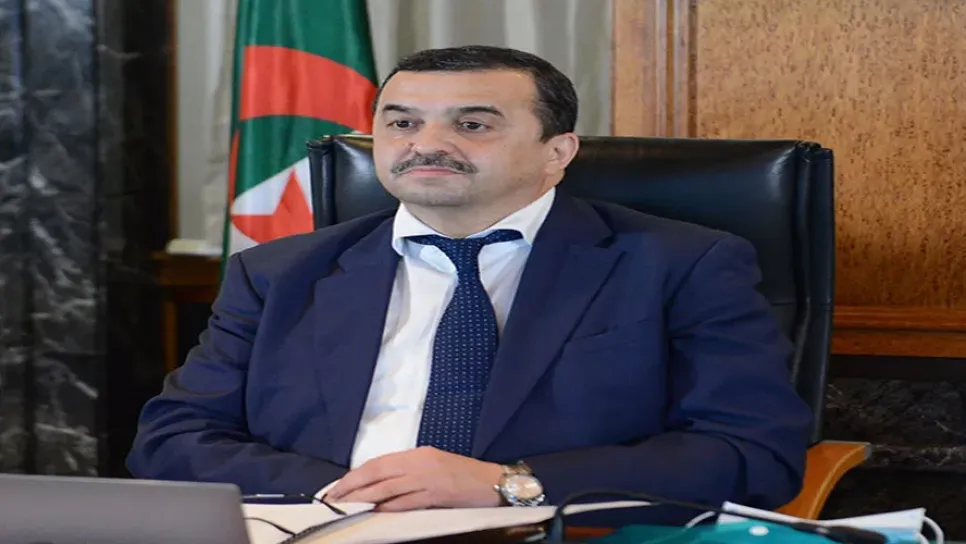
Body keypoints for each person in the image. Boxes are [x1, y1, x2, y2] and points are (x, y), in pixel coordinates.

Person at [127, 45, 812, 525]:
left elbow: (751, 452)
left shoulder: (682, 263)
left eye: (473, 124)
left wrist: (512, 485)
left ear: (557, 152)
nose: (427, 143)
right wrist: (352, 492)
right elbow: (173, 437)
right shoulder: (279, 272)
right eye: (402, 122)